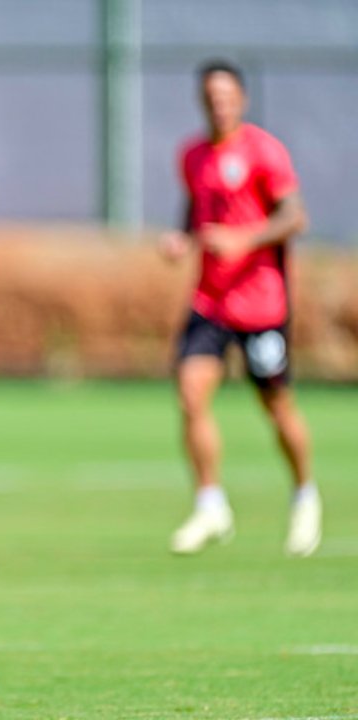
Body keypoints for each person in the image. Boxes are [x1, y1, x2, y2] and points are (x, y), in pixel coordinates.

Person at [160, 59, 320, 557]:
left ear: (241, 100)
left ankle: (304, 495)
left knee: (276, 406)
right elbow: (197, 209)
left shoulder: (264, 151)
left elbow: (294, 217)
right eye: (210, 96)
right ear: (201, 101)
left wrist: (243, 240)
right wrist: (183, 240)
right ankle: (211, 505)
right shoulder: (192, 155)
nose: (218, 104)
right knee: (190, 392)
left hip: (261, 304)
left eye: (226, 96)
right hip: (210, 300)